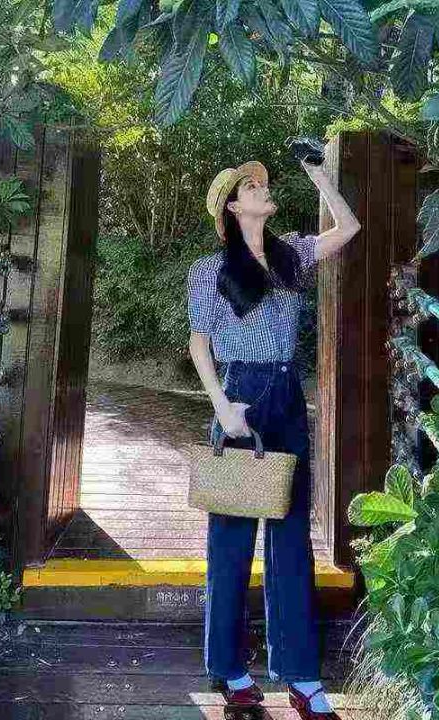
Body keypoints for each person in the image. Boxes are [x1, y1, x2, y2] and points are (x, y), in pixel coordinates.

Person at [186, 156, 361, 719]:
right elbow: (199, 344)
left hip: (286, 396)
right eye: (251, 186)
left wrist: (319, 176)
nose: (263, 189)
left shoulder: (290, 256)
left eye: (263, 183)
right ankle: (230, 670)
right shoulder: (210, 270)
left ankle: (302, 679)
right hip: (240, 395)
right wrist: (222, 408)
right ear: (233, 206)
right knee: (232, 537)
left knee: (291, 537)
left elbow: (349, 227)